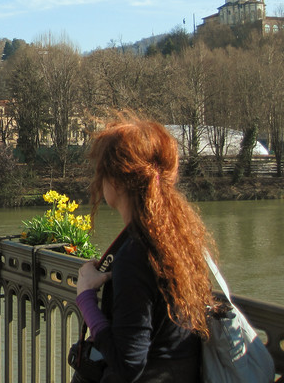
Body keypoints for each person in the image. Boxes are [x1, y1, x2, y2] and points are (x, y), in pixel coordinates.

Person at [75, 118, 214, 382]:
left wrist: (86, 299)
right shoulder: (178, 240)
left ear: (115, 181)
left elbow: (128, 364)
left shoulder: (135, 255)